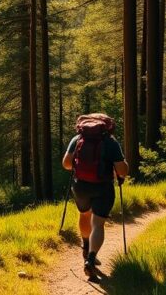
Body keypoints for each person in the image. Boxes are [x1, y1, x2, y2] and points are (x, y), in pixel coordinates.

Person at [61, 114, 129, 278]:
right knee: (98, 224)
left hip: (81, 186)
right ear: (106, 126)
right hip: (103, 187)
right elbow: (122, 171)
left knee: (84, 214)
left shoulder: (78, 138)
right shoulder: (110, 141)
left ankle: (85, 246)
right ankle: (91, 259)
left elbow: (66, 164)